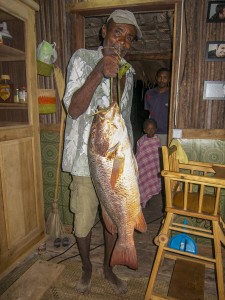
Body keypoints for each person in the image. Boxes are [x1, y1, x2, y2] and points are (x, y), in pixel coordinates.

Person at [62, 9, 142, 295]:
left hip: (117, 161)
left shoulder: (128, 72)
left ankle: (109, 268)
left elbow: (124, 120)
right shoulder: (81, 58)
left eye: (129, 38)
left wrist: (130, 158)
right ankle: (86, 267)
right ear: (104, 32)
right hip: (85, 162)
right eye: (117, 32)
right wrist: (99, 69)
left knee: (115, 218)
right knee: (82, 218)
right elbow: (73, 109)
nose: (122, 41)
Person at [136, 118, 161, 208]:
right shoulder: (142, 142)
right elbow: (140, 156)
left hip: (154, 167)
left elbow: (157, 156)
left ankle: (150, 196)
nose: (151, 131)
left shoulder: (157, 140)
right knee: (145, 181)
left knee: (152, 180)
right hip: (144, 168)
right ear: (144, 130)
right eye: (148, 129)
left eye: (153, 129)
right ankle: (145, 197)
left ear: (156, 129)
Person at [144, 68, 170, 146]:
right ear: (156, 78)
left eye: (165, 77)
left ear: (169, 79)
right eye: (160, 77)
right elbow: (147, 112)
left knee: (165, 156)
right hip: (152, 132)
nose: (162, 80)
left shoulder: (172, 94)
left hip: (167, 132)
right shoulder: (149, 93)